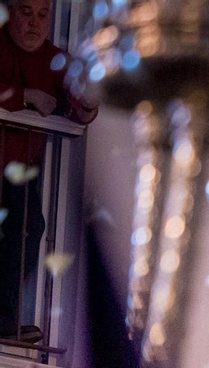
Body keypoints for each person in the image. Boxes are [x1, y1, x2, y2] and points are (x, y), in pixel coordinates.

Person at [0, 0, 98, 343]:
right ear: (10, 13)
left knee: (28, 227)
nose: (35, 23)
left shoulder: (56, 61)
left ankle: (4, 320)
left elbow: (79, 109)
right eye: (26, 12)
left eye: (43, 15)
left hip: (20, 168)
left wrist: (88, 98)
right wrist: (26, 96)